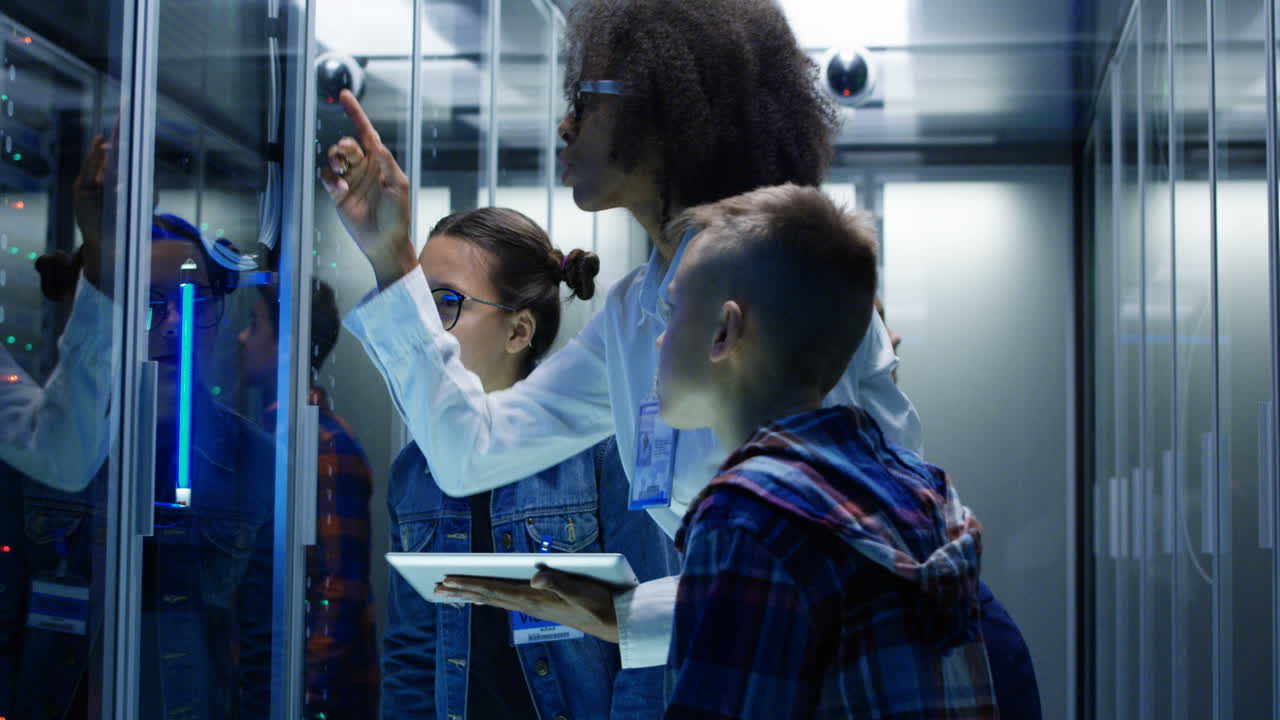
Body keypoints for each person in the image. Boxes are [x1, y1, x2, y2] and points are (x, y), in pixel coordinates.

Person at [324, 2, 1036, 716]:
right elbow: (469, 450)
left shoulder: (783, 277)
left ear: (666, 114)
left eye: (585, 102)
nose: (565, 126)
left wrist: (634, 611)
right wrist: (393, 264)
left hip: (905, 656)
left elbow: (852, 539)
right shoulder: (637, 306)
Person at [655, 184, 996, 718]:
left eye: (672, 309)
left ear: (724, 330)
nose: (659, 338)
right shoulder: (916, 486)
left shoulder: (746, 516)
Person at [376, 207, 677, 719]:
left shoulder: (608, 450)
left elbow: (652, 651)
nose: (426, 328)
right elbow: (412, 654)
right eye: (417, 306)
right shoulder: (415, 469)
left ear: (518, 332)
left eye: (446, 303)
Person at [239, 278, 380, 719]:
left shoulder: (323, 444)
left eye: (254, 324)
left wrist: (304, 700)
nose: (242, 338)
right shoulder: (274, 437)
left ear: (288, 344)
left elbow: (337, 590)